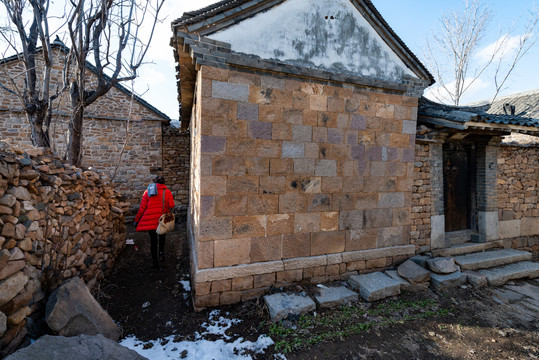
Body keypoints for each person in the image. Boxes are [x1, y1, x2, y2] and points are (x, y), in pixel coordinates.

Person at [134, 176, 175, 269]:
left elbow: (142, 208)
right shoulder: (167, 191)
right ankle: (161, 253)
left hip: (150, 220)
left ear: (154, 183)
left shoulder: (147, 191)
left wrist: (136, 220)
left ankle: (155, 262)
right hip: (162, 219)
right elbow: (171, 205)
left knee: (153, 241)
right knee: (162, 237)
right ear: (163, 183)